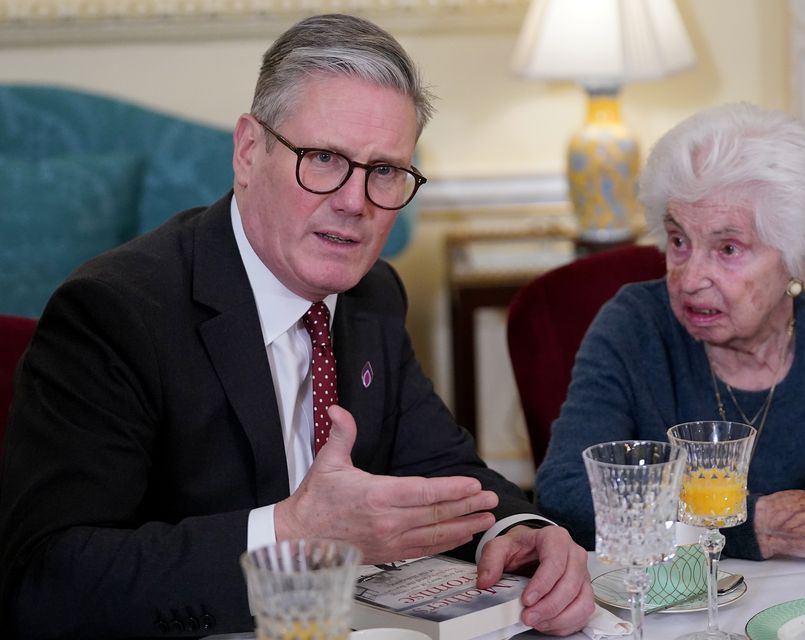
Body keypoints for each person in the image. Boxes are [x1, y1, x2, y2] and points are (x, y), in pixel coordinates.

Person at [0, 14, 593, 638]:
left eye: (385, 171)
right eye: (324, 158)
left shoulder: (371, 295)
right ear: (249, 151)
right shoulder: (115, 313)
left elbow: (442, 470)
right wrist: (292, 533)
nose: (354, 201)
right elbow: (47, 581)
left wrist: (529, 533)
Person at [535, 102, 805, 562]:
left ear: (803, 258)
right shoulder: (634, 328)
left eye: (728, 248)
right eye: (679, 241)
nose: (689, 278)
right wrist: (751, 522)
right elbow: (565, 494)